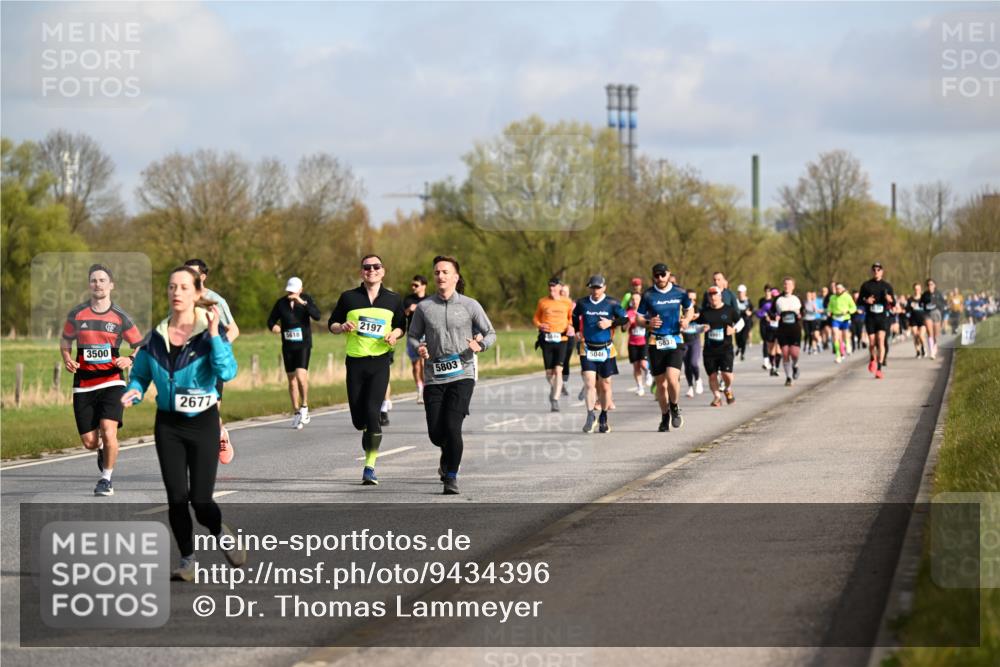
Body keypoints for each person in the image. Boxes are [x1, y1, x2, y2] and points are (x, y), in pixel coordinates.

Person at [121, 266, 244, 581]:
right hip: (169, 426)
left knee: (200, 500)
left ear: (196, 294)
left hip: (203, 423)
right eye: (171, 286)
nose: (176, 292)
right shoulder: (156, 337)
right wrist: (133, 391)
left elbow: (227, 371)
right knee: (176, 497)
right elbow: (141, 375)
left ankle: (219, 530)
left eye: (183, 287)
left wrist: (216, 335)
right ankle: (187, 561)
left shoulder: (207, 336)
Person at [409, 255, 496, 495]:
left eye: (445, 272)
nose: (440, 276)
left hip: (463, 373)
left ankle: (451, 476)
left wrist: (481, 345)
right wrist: (419, 347)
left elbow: (490, 333)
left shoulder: (470, 305)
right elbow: (413, 335)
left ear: (456, 277)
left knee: (452, 426)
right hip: (434, 376)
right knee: (437, 434)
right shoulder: (425, 308)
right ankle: (445, 454)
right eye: (437, 272)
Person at [60, 264, 144, 496]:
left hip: (112, 382)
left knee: (109, 430)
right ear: (89, 285)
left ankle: (105, 479)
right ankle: (101, 450)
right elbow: (65, 341)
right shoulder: (76, 314)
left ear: (111, 285)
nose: (98, 284)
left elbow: (140, 345)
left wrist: (129, 359)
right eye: (94, 280)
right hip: (84, 384)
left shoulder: (121, 317)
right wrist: (67, 358)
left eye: (102, 280)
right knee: (89, 441)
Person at [328, 254, 406, 486]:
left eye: (376, 267)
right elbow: (331, 323)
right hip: (355, 362)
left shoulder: (393, 299)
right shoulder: (349, 297)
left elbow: (402, 325)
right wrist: (341, 327)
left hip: (380, 362)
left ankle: (369, 467)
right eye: (367, 267)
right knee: (358, 420)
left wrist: (395, 334)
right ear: (362, 272)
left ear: (383, 271)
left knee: (373, 413)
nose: (371, 270)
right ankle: (368, 431)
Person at [184, 259, 239, 464]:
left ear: (202, 277)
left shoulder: (215, 300)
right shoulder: (179, 300)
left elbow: (233, 330)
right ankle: (220, 433)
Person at [637, 263, 694, 432]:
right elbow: (638, 318)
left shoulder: (680, 292)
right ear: (653, 276)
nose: (660, 278)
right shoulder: (648, 294)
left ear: (669, 274)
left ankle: (674, 406)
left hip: (675, 340)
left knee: (672, 378)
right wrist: (648, 323)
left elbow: (689, 309)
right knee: (660, 384)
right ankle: (665, 416)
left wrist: (686, 320)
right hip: (656, 342)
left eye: (663, 274)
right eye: (657, 275)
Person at [573, 275, 628, 434]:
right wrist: (577, 331)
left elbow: (624, 319)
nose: (595, 290)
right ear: (589, 288)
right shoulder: (583, 303)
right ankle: (590, 416)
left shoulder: (612, 303)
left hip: (606, 349)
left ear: (604, 287)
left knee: (605, 385)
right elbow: (575, 316)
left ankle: (603, 416)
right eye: (593, 287)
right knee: (590, 383)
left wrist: (611, 323)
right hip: (588, 348)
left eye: (598, 287)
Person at [267, 276, 321, 429]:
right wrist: (274, 328)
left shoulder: (306, 300)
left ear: (300, 290)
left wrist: (302, 303)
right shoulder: (281, 303)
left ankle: (305, 406)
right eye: (289, 290)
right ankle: (296, 411)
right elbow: (271, 320)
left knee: (301, 376)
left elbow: (317, 316)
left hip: (303, 345)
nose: (291, 293)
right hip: (288, 346)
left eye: (294, 290)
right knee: (291, 380)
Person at [697, 286, 744, 406]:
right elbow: (695, 326)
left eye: (715, 295)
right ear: (708, 297)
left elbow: (741, 322)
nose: (713, 297)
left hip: (725, 348)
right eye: (710, 295)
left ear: (720, 296)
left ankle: (728, 389)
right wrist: (701, 328)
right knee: (712, 375)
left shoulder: (729, 310)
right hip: (709, 350)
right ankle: (717, 397)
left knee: (726, 374)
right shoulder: (705, 312)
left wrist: (734, 329)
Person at [533, 277, 575, 411]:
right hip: (547, 340)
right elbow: (536, 318)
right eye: (550, 286)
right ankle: (557, 385)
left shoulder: (566, 302)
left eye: (554, 286)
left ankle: (555, 399)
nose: (551, 289)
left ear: (559, 288)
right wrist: (540, 325)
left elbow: (571, 318)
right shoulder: (543, 302)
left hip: (562, 339)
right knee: (549, 373)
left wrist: (570, 326)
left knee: (558, 370)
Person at [858, 261, 895, 380]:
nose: (876, 271)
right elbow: (858, 301)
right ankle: (872, 359)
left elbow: (893, 303)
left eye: (878, 269)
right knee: (872, 343)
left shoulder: (887, 286)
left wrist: (890, 300)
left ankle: (879, 369)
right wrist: (866, 301)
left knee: (880, 341)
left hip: (882, 317)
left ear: (882, 271)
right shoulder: (866, 285)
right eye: (874, 269)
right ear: (872, 271)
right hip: (870, 317)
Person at [404, 275, 429, 403]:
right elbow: (403, 314)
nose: (413, 287)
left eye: (416, 285)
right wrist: (409, 309)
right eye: (412, 285)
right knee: (416, 365)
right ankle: (419, 388)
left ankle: (425, 389)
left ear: (424, 286)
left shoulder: (430, 300)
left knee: (425, 364)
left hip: (427, 336)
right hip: (412, 336)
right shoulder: (408, 299)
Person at [774, 278, 804, 386]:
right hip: (783, 329)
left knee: (794, 354)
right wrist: (775, 316)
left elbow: (803, 311)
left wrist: (801, 315)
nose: (787, 286)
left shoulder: (797, 299)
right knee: (785, 353)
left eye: (789, 284)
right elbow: (773, 312)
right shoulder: (778, 299)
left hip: (795, 329)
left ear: (793, 287)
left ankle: (795, 366)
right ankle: (788, 378)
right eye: (785, 284)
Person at [623, 293, 650, 396]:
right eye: (633, 299)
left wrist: (643, 322)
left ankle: (648, 372)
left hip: (643, 342)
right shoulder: (628, 313)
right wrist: (629, 323)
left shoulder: (645, 312)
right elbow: (624, 329)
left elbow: (650, 325)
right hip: (632, 343)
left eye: (637, 299)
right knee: (636, 366)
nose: (634, 301)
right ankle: (640, 386)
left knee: (643, 364)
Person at [827, 283, 857, 363]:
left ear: (843, 289)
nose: (838, 290)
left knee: (845, 335)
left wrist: (848, 311)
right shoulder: (832, 297)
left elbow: (854, 307)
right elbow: (829, 307)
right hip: (835, 318)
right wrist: (829, 311)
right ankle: (838, 355)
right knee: (835, 336)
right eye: (837, 288)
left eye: (840, 288)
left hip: (845, 318)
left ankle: (847, 344)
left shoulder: (847, 297)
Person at [682, 289, 703, 397]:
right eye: (690, 299)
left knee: (693, 363)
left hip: (695, 341)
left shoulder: (697, 309)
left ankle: (698, 379)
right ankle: (690, 387)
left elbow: (703, 319)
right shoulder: (680, 310)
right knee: (687, 366)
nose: (692, 301)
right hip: (684, 341)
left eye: (694, 299)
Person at [920, 278, 946, 360]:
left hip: (936, 313)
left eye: (931, 284)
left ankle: (935, 347)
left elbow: (943, 303)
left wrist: (939, 306)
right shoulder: (925, 294)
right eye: (928, 285)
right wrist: (924, 306)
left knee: (936, 335)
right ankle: (932, 351)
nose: (930, 286)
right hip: (927, 314)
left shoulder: (938, 294)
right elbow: (921, 303)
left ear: (934, 285)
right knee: (929, 333)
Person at [558, 283, 576, 398]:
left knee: (565, 361)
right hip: (558, 335)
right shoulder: (556, 304)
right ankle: (558, 384)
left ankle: (563, 382)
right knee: (558, 361)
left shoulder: (574, 305)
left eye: (565, 291)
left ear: (569, 293)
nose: (563, 293)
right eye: (561, 291)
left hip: (570, 336)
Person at [757, 284, 776, 372]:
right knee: (765, 341)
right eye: (766, 291)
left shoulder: (773, 301)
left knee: (770, 343)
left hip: (772, 324)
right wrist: (764, 315)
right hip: (763, 323)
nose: (767, 293)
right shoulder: (761, 300)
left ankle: (770, 360)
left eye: (769, 291)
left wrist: (771, 317)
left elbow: (775, 312)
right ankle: (766, 361)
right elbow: (760, 311)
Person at [907, 284, 929, 358]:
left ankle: (924, 348)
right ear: (914, 289)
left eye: (918, 289)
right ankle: (918, 352)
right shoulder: (910, 299)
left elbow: (928, 308)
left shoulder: (924, 298)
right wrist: (910, 307)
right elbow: (907, 310)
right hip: (913, 319)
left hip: (922, 319)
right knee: (915, 336)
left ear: (920, 289)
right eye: (915, 289)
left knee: (921, 335)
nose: (917, 290)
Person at [734, 284, 753, 362]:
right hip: (738, 321)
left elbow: (752, 310)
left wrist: (749, 312)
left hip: (746, 321)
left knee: (744, 338)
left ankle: (742, 353)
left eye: (742, 292)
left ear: (745, 292)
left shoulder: (748, 301)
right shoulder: (735, 301)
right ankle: (738, 347)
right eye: (739, 292)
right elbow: (733, 310)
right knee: (738, 337)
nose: (741, 294)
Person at [802, 290, 822, 354]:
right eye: (807, 295)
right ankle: (812, 348)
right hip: (806, 320)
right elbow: (802, 310)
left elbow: (817, 310)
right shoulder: (804, 302)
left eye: (809, 295)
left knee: (814, 334)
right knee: (808, 334)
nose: (808, 296)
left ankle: (818, 343)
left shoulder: (814, 302)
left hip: (815, 319)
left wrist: (816, 310)